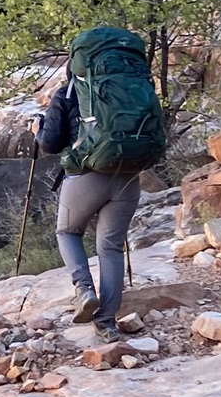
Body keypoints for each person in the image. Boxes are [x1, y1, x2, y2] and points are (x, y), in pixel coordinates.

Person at [37, 27, 165, 340]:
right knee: (110, 248)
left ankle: (84, 290)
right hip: (129, 174)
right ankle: (107, 323)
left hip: (86, 175)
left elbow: (50, 144)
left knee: (67, 232)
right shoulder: (134, 87)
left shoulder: (68, 93)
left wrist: (36, 131)